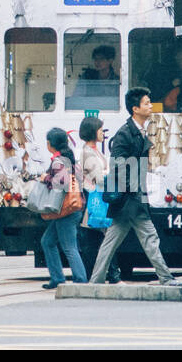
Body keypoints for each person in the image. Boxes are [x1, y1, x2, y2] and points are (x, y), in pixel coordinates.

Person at [90, 88, 182, 286]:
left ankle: (96, 281)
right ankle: (166, 279)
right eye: (146, 103)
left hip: (131, 199)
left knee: (112, 243)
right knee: (149, 238)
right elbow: (118, 165)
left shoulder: (137, 131)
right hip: (130, 199)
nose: (151, 106)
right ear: (135, 109)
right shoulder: (125, 134)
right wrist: (133, 191)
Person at [39, 127, 87, 289]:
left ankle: (80, 280)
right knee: (47, 241)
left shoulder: (59, 161)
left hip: (66, 210)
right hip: (71, 209)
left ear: (50, 144)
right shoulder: (69, 159)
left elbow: (62, 182)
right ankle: (57, 278)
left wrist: (45, 177)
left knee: (69, 246)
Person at [77, 117, 120, 284]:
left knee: (97, 239)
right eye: (101, 130)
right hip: (95, 201)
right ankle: (112, 275)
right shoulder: (88, 152)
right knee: (103, 238)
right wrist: (113, 174)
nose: (103, 133)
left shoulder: (92, 150)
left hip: (95, 200)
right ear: (93, 131)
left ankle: (99, 275)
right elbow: (99, 178)